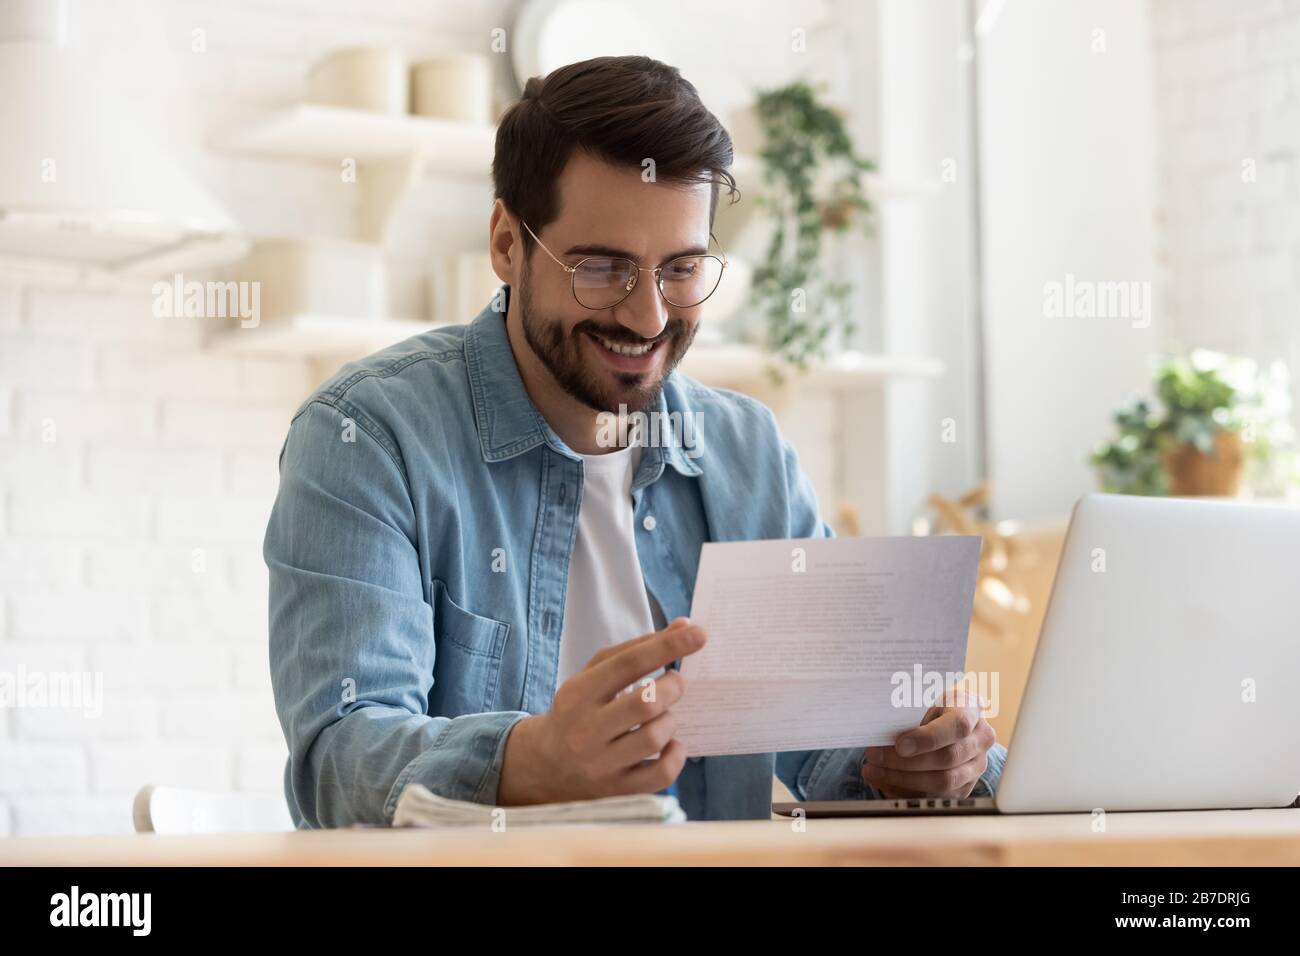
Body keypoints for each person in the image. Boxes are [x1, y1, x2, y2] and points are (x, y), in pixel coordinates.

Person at [265, 55, 1005, 828]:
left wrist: (925, 761)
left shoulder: (745, 452)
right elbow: (338, 762)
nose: (648, 318)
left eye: (680, 269)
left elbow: (825, 739)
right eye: (603, 268)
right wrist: (529, 763)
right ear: (506, 243)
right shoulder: (368, 437)